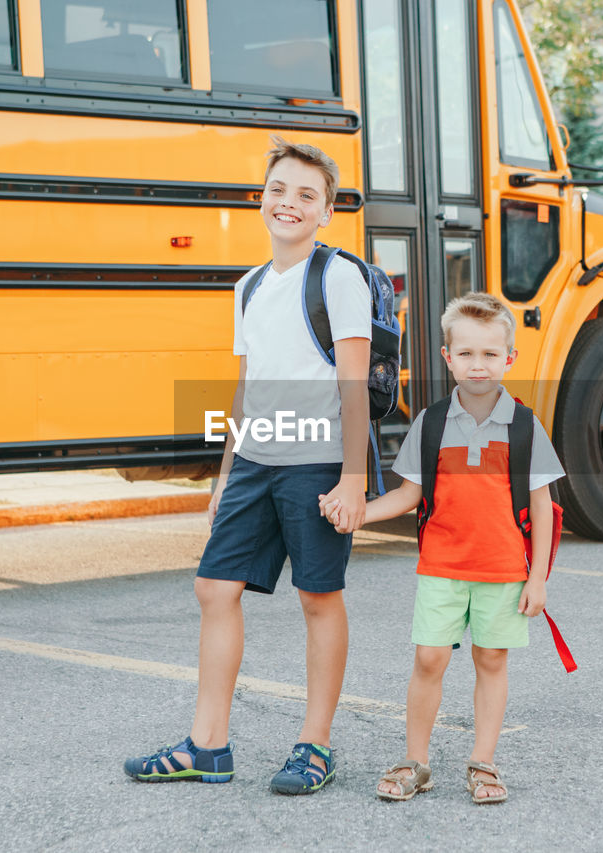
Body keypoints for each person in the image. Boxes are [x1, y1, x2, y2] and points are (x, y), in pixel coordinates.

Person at [123, 136, 372, 795]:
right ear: (260, 199)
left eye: (306, 195)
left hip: (317, 459)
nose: (289, 203)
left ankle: (314, 744)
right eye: (279, 190)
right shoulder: (249, 286)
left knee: (319, 597)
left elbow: (353, 382)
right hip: (257, 458)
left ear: (326, 211)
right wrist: (226, 473)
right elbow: (247, 384)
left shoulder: (339, 276)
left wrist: (354, 477)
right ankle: (207, 746)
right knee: (214, 587)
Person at [322, 292, 565, 804]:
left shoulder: (525, 427)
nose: (479, 365)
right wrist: (358, 512)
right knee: (430, 659)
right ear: (447, 357)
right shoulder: (430, 424)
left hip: (504, 571)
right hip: (441, 567)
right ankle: (417, 761)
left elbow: (542, 508)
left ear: (510, 359)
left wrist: (538, 578)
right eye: (468, 354)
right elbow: (409, 495)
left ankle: (483, 762)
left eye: (491, 354)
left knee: (491, 659)